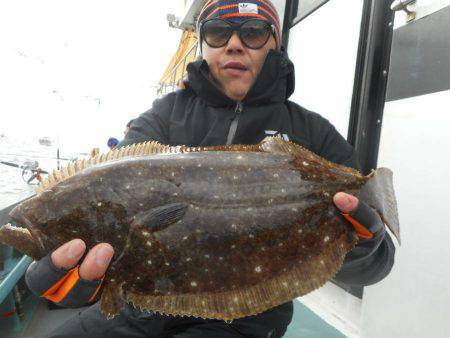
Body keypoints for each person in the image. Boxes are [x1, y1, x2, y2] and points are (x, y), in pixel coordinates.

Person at [25, 1, 395, 337]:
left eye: (252, 32)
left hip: (249, 318)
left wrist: (363, 244)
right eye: (218, 32)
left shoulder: (314, 134)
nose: (234, 44)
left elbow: (376, 267)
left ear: (275, 44)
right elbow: (110, 198)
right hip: (144, 304)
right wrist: (70, 272)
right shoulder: (162, 117)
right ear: (203, 43)